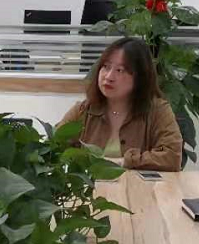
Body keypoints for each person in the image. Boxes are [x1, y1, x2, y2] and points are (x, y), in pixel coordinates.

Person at [58, 37, 182, 171]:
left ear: (139, 77)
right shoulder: (83, 110)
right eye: (106, 67)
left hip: (136, 184)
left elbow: (172, 157)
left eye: (120, 70)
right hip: (91, 185)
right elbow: (54, 146)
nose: (109, 77)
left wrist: (123, 162)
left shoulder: (158, 111)